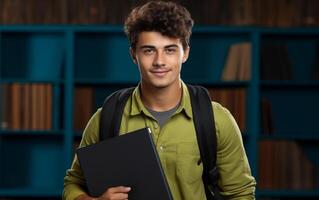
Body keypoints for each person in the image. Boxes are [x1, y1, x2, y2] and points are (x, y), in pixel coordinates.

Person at [63, 1, 256, 200]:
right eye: (149, 50)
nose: (159, 61)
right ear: (133, 55)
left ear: (186, 53)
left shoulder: (216, 120)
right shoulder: (106, 118)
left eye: (170, 50)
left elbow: (240, 194)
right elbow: (73, 183)